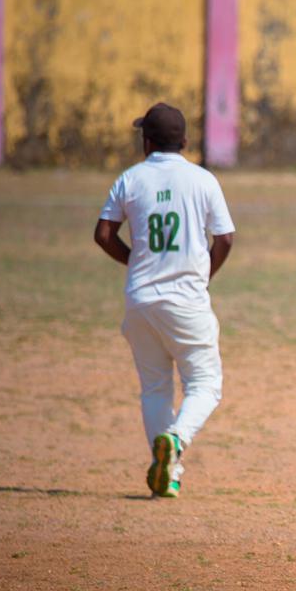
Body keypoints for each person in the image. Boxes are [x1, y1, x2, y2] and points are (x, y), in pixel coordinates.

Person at [94, 102, 235, 498]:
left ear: (147, 142)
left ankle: (168, 474)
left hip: (140, 300)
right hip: (186, 299)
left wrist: (136, 263)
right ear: (185, 141)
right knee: (205, 384)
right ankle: (175, 440)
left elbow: (103, 234)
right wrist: (203, 275)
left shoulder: (130, 179)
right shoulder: (203, 180)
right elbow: (224, 239)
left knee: (155, 389)